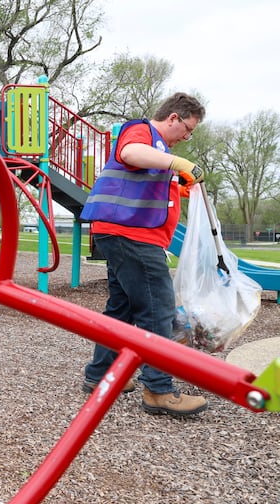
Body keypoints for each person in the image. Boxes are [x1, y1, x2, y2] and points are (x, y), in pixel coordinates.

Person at [79, 92, 208, 416]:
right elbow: (130, 152)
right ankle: (158, 390)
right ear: (174, 118)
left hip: (122, 235)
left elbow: (141, 181)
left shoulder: (159, 151)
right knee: (158, 309)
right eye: (188, 129)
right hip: (133, 238)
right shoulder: (141, 132)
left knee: (121, 309)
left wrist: (175, 185)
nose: (187, 137)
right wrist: (176, 164)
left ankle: (101, 375)